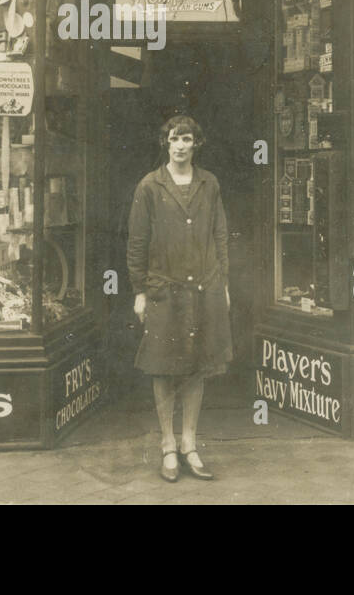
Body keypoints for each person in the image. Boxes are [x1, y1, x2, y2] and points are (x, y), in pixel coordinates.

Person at [127, 115, 232, 482]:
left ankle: (190, 443)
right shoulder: (149, 187)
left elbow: (220, 235)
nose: (181, 146)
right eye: (175, 139)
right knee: (162, 367)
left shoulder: (210, 183)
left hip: (204, 288)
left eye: (187, 139)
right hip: (163, 289)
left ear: (196, 143)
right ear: (166, 143)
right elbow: (137, 242)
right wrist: (139, 291)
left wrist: (225, 284)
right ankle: (168, 445)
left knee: (197, 365)